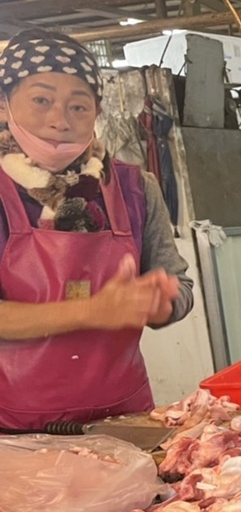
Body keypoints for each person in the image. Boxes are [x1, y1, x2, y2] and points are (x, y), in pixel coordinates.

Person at [0, 29, 193, 429]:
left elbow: (178, 282)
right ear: (4, 104)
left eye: (78, 106)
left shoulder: (136, 187)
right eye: (41, 100)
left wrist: (164, 304)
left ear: (97, 110)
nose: (60, 120)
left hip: (125, 420)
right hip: (13, 432)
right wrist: (92, 310)